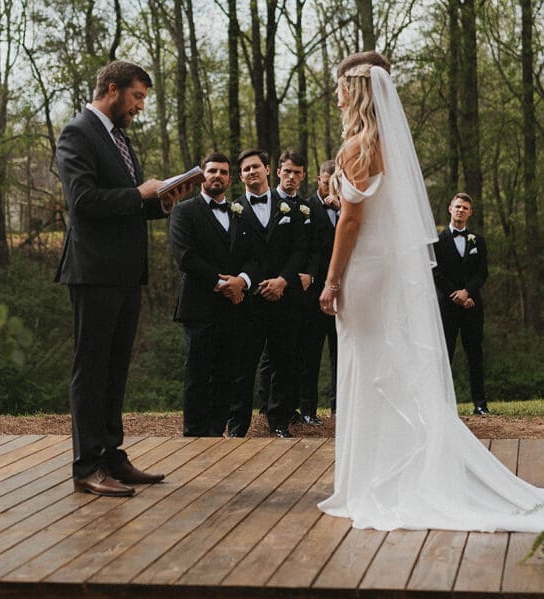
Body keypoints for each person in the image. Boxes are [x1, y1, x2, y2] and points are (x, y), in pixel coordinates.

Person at [317, 51, 544, 531]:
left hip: (364, 269)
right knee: (386, 364)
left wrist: (332, 280)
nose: (336, 97)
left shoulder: (357, 147)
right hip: (387, 267)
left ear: (356, 90)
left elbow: (351, 222)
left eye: (340, 88)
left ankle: (373, 479)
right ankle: (392, 467)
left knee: (367, 365)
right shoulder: (389, 147)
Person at [55, 59, 186, 497]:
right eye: (137, 96)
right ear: (112, 89)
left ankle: (112, 455)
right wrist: (138, 193)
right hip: (93, 272)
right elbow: (83, 202)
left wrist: (162, 201)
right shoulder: (77, 133)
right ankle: (87, 465)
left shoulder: (120, 138)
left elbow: (129, 206)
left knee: (115, 370)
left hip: (127, 273)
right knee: (91, 370)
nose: (140, 106)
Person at [227, 149, 306, 438]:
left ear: (268, 170)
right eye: (246, 169)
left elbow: (299, 249)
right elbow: (233, 254)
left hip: (282, 297)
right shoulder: (233, 210)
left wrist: (283, 281)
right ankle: (238, 425)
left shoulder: (289, 209)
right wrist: (251, 282)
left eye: (256, 166)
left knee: (283, 360)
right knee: (243, 364)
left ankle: (279, 421)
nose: (252, 172)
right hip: (248, 300)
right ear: (241, 176)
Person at [169, 152, 248, 436]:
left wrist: (241, 281)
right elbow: (185, 257)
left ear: (230, 179)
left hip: (234, 306)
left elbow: (254, 255)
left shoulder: (240, 211)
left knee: (227, 373)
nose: (217, 176)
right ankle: (194, 433)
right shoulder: (184, 211)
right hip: (199, 306)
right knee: (198, 374)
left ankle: (216, 432)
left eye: (223, 172)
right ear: (202, 175)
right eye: (212, 171)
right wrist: (220, 282)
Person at [433, 193, 489, 415]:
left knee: (475, 354)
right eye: (457, 206)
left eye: (465, 208)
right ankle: (442, 405)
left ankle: (480, 404)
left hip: (472, 305)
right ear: (450, 208)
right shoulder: (437, 240)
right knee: (445, 354)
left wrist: (467, 293)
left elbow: (482, 273)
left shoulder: (478, 241)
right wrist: (455, 295)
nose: (461, 210)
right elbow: (436, 273)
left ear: (470, 212)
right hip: (447, 307)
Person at [301, 159, 339, 422]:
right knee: (311, 354)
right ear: (319, 180)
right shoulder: (307, 207)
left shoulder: (348, 207)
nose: (331, 188)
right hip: (314, 293)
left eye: (336, 184)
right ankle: (308, 410)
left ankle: (339, 408)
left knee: (341, 354)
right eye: (327, 183)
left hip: (343, 293)